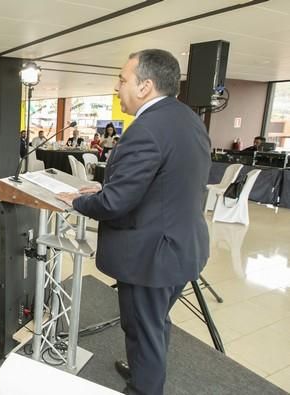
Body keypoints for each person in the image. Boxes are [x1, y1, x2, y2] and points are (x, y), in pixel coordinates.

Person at [56, 49, 211, 395]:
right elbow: (166, 182)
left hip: (152, 254)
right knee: (154, 323)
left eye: (123, 80)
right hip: (182, 246)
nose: (117, 87)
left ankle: (145, 386)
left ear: (146, 86)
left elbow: (115, 204)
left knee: (143, 327)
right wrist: (107, 184)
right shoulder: (186, 118)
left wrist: (79, 201)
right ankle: (144, 369)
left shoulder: (146, 128)